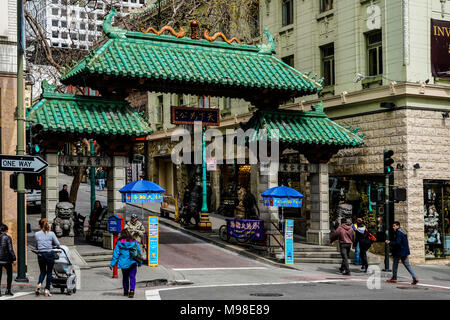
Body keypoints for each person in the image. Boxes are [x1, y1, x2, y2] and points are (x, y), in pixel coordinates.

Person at [109, 229, 142, 298]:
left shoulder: (119, 243)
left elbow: (116, 254)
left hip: (123, 263)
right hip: (133, 262)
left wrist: (112, 264)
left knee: (125, 277)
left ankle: (126, 291)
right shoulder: (134, 242)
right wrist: (140, 262)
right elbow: (139, 252)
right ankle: (132, 291)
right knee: (132, 277)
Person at [35, 218, 61, 297]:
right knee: (49, 272)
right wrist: (56, 246)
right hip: (49, 254)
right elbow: (58, 243)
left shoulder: (37, 234)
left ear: (39, 225)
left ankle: (39, 284)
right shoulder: (51, 233)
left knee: (42, 271)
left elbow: (38, 243)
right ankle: (47, 290)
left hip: (41, 254)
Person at [0, 224, 16, 296]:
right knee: (9, 275)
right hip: (6, 260)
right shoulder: (7, 237)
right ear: (6, 230)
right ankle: (8, 290)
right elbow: (10, 249)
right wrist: (14, 258)